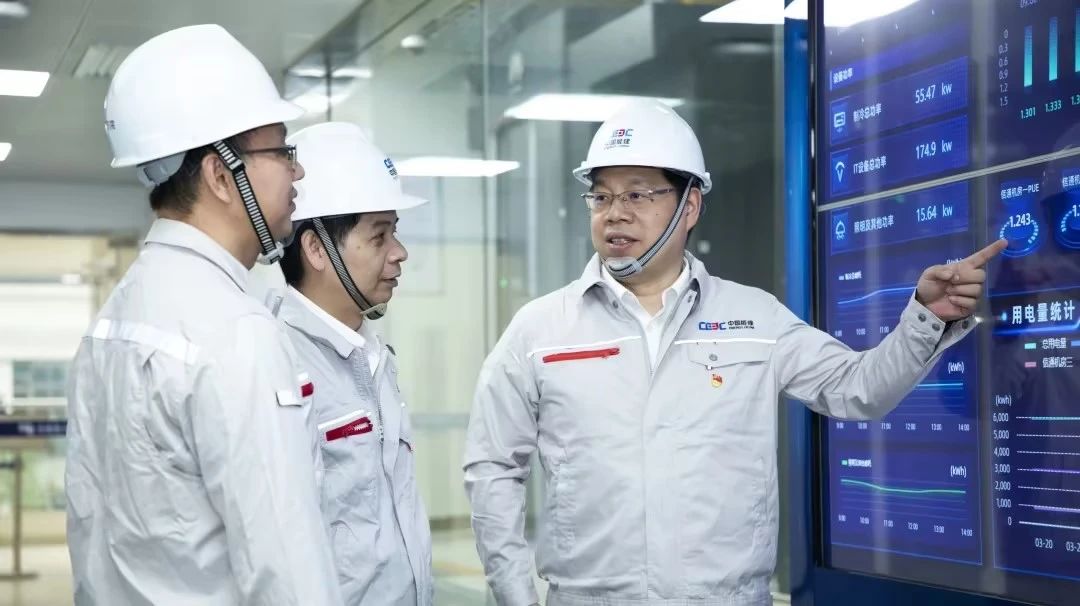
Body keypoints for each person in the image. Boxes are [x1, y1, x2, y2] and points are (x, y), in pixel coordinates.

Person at [463, 98, 1006, 606]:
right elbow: (492, 467)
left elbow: (858, 389)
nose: (615, 213)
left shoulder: (755, 318)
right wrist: (516, 596)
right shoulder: (541, 329)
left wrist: (925, 317)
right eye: (602, 196)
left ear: (690, 205)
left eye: (638, 194)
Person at [64, 24, 343, 605]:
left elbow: (91, 537)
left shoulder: (111, 323)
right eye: (281, 151)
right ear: (221, 174)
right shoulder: (236, 332)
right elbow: (288, 572)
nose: (298, 171)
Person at [274, 121, 434, 605]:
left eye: (394, 232)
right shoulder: (278, 362)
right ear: (316, 248)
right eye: (379, 236)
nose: (400, 253)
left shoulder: (373, 355)